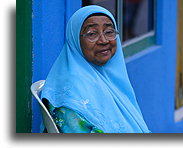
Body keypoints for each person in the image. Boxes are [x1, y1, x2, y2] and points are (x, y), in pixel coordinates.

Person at [41, 5, 150, 133]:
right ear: (75, 39)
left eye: (109, 32)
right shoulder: (70, 96)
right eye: (92, 34)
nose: (103, 40)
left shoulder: (111, 79)